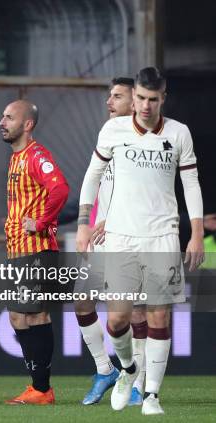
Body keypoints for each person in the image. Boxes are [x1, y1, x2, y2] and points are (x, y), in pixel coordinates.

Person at [77, 67, 204, 415]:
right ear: (134, 98)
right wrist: (84, 224)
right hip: (120, 236)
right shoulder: (113, 130)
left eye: (153, 99)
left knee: (159, 316)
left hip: (163, 235)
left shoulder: (179, 133)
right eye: (141, 99)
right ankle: (128, 371)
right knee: (118, 321)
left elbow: (191, 185)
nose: (146, 106)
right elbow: (93, 175)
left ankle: (151, 396)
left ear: (163, 98)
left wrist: (195, 234)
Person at [75, 77, 149, 406]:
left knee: (134, 315)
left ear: (135, 103)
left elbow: (151, 195)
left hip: (132, 237)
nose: (109, 101)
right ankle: (105, 370)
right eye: (109, 95)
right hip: (102, 240)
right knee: (82, 302)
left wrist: (113, 218)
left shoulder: (146, 141)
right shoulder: (107, 137)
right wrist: (90, 223)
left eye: (117, 96)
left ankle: (138, 384)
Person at [0, 100, 69, 406]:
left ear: (27, 125)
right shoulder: (16, 158)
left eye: (9, 117)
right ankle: (37, 386)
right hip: (18, 252)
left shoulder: (36, 155)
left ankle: (42, 389)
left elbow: (60, 189)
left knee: (35, 315)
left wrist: (41, 221)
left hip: (37, 250)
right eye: (3, 116)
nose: (2, 121)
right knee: (18, 317)